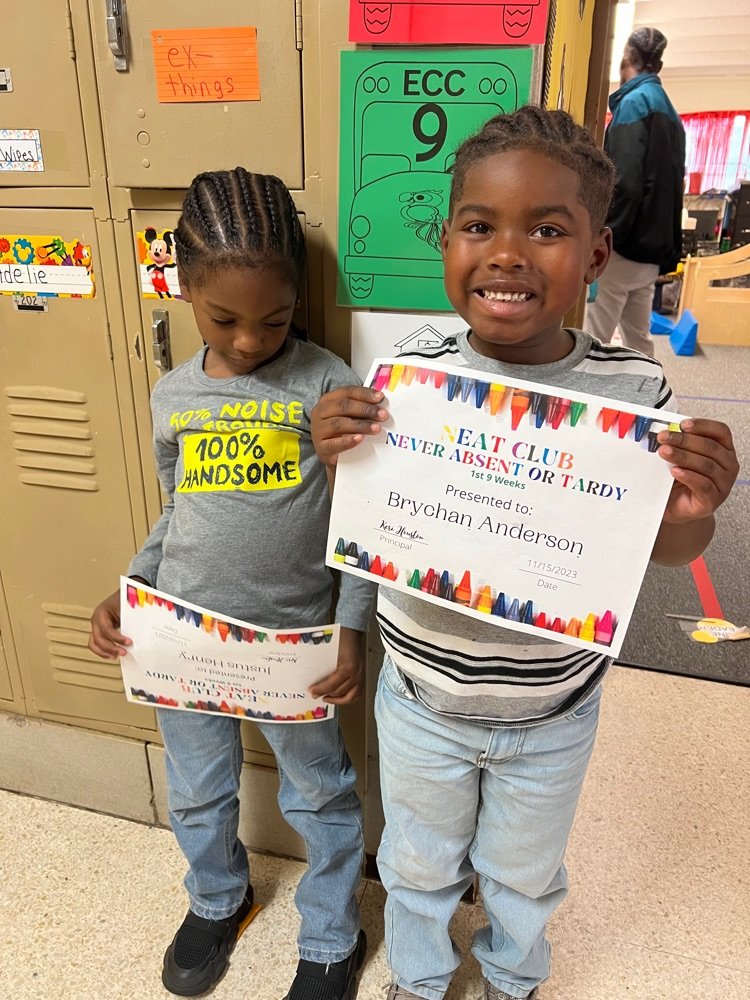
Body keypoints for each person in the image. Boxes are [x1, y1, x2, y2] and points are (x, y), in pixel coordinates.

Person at [311, 107, 738, 1000]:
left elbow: (666, 549)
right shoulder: (410, 370)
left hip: (553, 710)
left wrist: (694, 508)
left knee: (523, 872)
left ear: (594, 255)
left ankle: (511, 976)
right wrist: (336, 443)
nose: (507, 253)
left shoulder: (636, 394)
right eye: (479, 226)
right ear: (448, 242)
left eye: (547, 230)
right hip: (422, 695)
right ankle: (419, 980)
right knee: (418, 863)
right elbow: (367, 513)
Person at [88, 168, 374, 1000]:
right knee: (199, 789)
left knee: (320, 797)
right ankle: (218, 898)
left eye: (274, 319)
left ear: (297, 299)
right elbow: (175, 513)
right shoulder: (172, 394)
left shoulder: (326, 383)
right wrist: (131, 586)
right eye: (225, 319)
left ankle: (331, 934)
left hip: (292, 652)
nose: (251, 341)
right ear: (183, 287)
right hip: (179, 640)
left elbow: (360, 523)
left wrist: (348, 627)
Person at [584, 27, 686, 357]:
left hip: (624, 244)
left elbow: (624, 182)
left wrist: (602, 236)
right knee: (638, 336)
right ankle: (646, 395)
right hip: (652, 248)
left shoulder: (633, 104)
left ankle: (587, 400)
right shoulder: (669, 111)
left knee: (595, 334)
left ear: (627, 56)